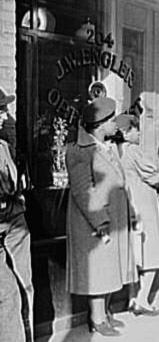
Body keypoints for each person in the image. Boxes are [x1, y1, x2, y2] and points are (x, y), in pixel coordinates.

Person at [66, 97, 137, 337]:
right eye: (112, 119)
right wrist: (101, 221)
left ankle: (104, 313)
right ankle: (96, 318)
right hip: (95, 223)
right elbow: (83, 190)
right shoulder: (80, 151)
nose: (116, 123)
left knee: (109, 268)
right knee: (99, 270)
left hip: (112, 219)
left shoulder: (106, 147)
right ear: (100, 124)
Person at [114, 114, 159, 316]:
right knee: (150, 250)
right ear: (127, 132)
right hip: (143, 203)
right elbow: (153, 176)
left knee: (134, 254)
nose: (139, 132)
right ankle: (143, 299)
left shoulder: (114, 150)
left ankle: (132, 297)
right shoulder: (134, 150)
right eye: (135, 129)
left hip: (126, 204)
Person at [0, 89, 33, 342]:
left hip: (15, 221)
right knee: (7, 293)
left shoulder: (3, 145)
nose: (4, 115)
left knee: (24, 285)